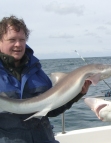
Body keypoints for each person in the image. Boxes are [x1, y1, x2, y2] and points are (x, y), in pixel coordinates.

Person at [0, 15, 91, 143]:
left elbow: (51, 110)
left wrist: (76, 94)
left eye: (22, 39)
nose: (18, 44)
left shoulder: (36, 71)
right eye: (12, 39)